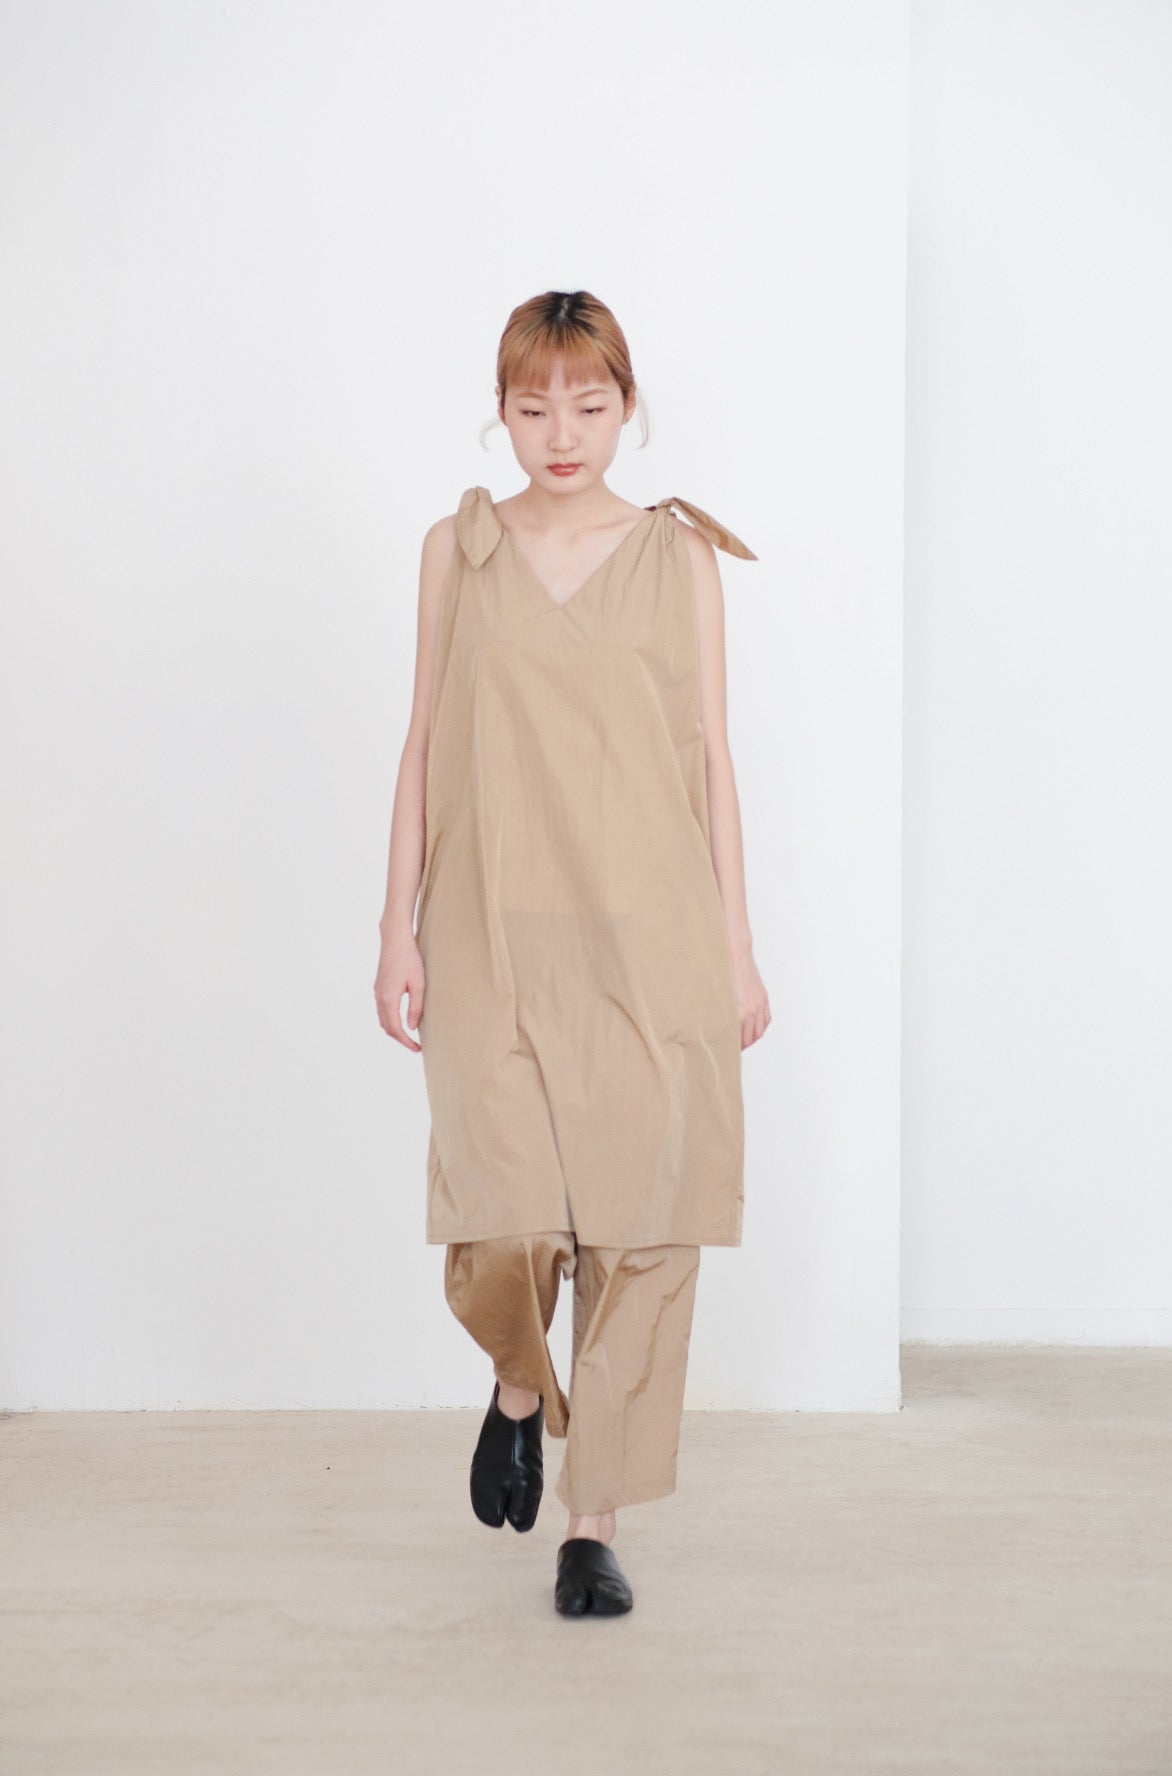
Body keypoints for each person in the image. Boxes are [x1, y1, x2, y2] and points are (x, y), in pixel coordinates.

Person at [374, 289, 771, 1617]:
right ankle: (517, 1384)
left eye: (590, 406)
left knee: (640, 1231)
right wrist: (393, 927)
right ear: (500, 409)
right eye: (534, 405)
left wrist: (737, 949)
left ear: (627, 409)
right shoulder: (457, 550)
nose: (562, 433)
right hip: (489, 924)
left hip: (649, 936)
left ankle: (592, 1526)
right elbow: (423, 742)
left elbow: (712, 761)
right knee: (505, 1219)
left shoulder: (679, 561)